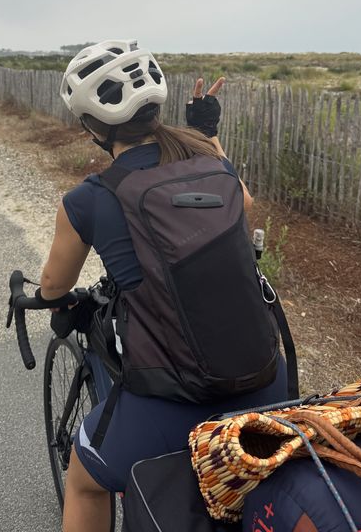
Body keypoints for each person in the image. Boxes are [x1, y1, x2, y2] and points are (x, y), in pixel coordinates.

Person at [39, 40, 289, 532]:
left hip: (170, 403)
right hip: (267, 380)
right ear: (157, 107)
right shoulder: (213, 164)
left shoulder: (88, 199)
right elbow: (241, 200)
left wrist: (51, 303)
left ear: (92, 127)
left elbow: (52, 287)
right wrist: (207, 134)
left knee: (84, 482)